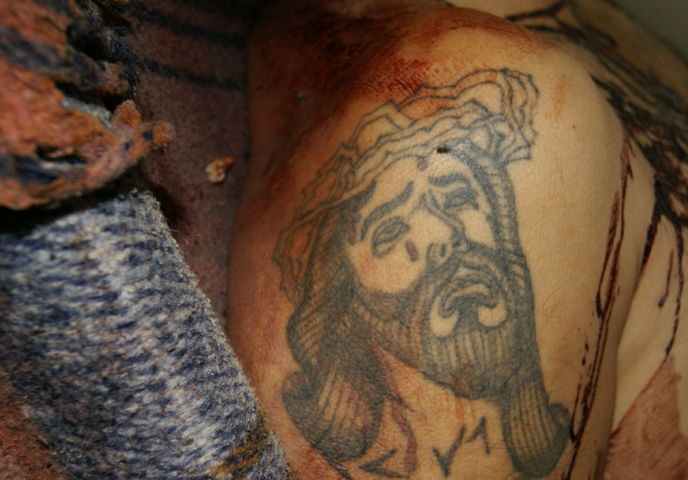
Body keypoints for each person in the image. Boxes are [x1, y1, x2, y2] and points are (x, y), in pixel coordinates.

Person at [226, 0, 688, 478]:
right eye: (390, 231)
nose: (445, 236)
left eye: (457, 197)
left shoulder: (591, 21)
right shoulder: (468, 104)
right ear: (340, 295)